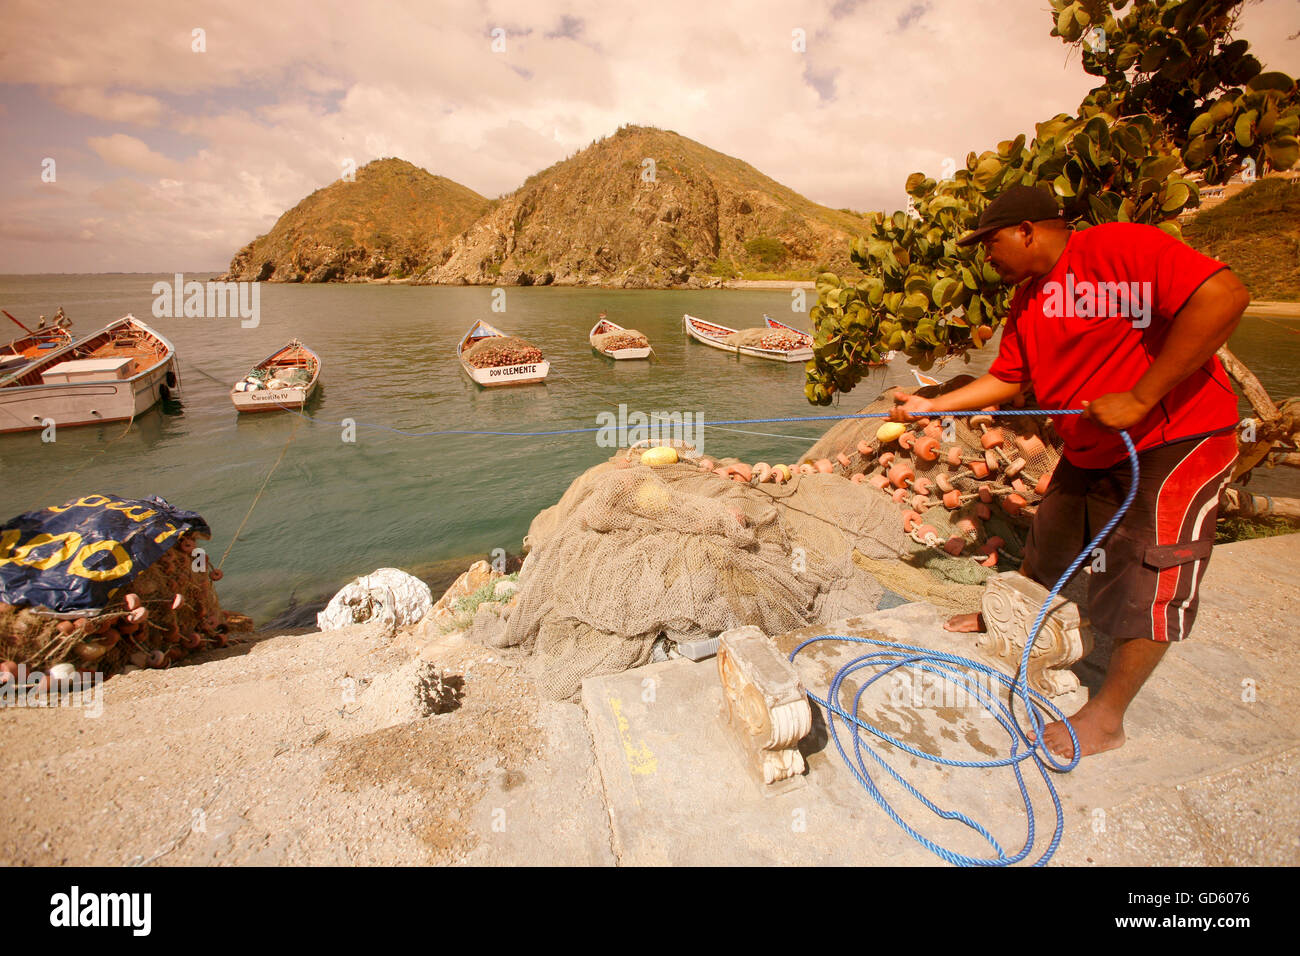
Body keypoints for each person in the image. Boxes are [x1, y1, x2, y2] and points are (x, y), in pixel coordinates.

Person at [889, 185, 1250, 759]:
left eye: (991, 243)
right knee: (1049, 540)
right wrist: (931, 404)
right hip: (1091, 449)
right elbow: (1011, 377)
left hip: (1175, 440)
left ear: (1028, 229)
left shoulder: (1118, 248)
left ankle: (1108, 717)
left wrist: (1140, 396)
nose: (987, 257)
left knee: (1151, 576)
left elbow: (1225, 296)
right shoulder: (1029, 299)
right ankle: (1007, 617)